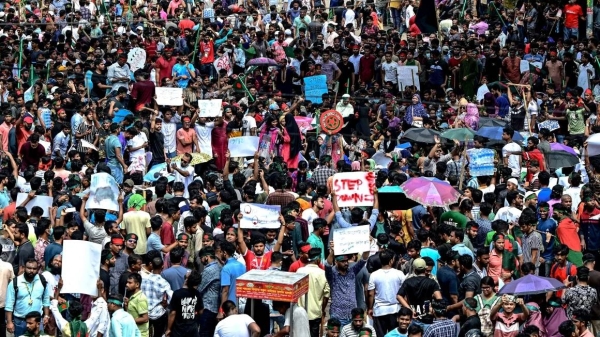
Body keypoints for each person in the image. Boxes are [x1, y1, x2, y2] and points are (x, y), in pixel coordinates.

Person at [5, 258, 51, 337]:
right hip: (20, 321)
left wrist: (46, 316)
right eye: (29, 268)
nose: (31, 271)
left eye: (34, 269)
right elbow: (9, 304)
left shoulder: (42, 281)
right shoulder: (15, 282)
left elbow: (46, 300)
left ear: (37, 269)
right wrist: (9, 322)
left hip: (37, 322)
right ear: (24, 268)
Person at [367, 249, 406, 337]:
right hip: (395, 310)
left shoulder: (374, 275)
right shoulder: (399, 274)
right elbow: (405, 291)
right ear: (391, 260)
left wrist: (370, 308)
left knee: (380, 334)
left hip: (379, 310)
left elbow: (371, 294)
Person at [297, 248, 330, 337]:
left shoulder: (299, 271)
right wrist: (322, 310)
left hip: (301, 312)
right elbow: (326, 295)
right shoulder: (322, 273)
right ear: (318, 259)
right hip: (315, 313)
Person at [166, 270, 203, 337]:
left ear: (187, 279)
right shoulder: (197, 294)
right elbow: (200, 311)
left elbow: (173, 313)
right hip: (192, 329)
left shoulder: (177, 294)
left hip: (179, 330)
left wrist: (168, 329)